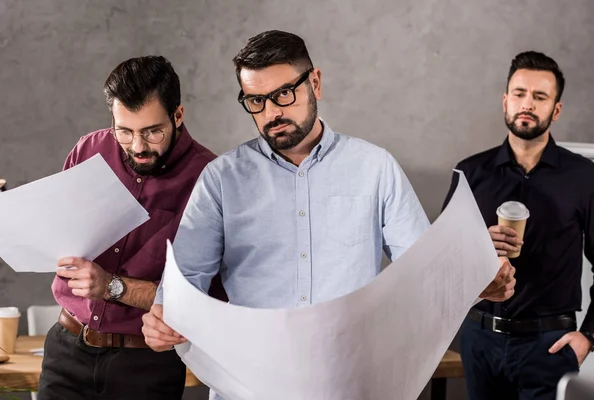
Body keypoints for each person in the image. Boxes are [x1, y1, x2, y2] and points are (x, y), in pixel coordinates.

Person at [141, 31, 516, 399]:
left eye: (283, 94)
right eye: (255, 101)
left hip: (350, 385)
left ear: (315, 82)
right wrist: (163, 312)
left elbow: (423, 272)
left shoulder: (375, 169)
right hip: (249, 388)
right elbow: (184, 280)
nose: (271, 113)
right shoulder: (221, 180)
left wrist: (474, 283)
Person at [37, 55, 227, 400]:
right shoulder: (88, 150)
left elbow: (208, 299)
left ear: (178, 116)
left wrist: (112, 286)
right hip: (65, 348)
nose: (138, 147)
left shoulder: (210, 179)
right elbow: (60, 235)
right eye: (124, 131)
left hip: (145, 367)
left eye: (152, 131)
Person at [443, 51, 594, 400]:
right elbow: (442, 262)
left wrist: (589, 336)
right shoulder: (470, 173)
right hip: (479, 337)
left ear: (555, 109)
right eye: (519, 93)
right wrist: (477, 242)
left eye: (540, 96)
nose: (527, 104)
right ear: (505, 100)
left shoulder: (586, 178)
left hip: (550, 345)